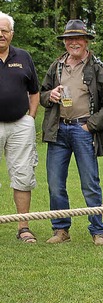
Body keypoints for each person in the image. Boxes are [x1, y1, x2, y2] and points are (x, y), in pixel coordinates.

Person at [40, 19, 103, 245]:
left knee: (90, 184)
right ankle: (61, 230)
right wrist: (50, 96)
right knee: (55, 183)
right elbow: (42, 94)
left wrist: (90, 126)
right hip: (58, 130)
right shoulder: (56, 66)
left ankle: (98, 231)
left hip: (83, 130)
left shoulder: (97, 68)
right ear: (65, 42)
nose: (73, 43)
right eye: (69, 39)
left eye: (77, 39)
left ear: (85, 41)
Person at [0, 12, 39, 243]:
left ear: (12, 34)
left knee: (23, 176)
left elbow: (34, 92)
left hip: (20, 126)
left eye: (4, 31)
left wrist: (31, 119)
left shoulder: (23, 57)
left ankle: (23, 227)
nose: (0, 35)